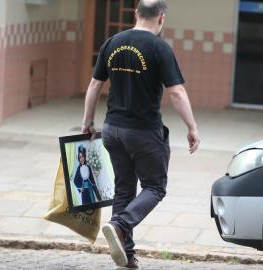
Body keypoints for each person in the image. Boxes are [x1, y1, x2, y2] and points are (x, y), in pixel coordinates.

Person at [82, 0, 200, 268]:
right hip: (143, 132)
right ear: (161, 18)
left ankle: (127, 256)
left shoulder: (112, 42)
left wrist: (87, 122)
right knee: (155, 187)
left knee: (124, 190)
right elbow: (177, 92)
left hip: (112, 129)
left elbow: (94, 84)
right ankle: (121, 225)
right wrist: (192, 127)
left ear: (136, 13)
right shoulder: (159, 48)